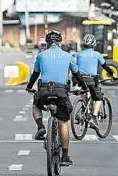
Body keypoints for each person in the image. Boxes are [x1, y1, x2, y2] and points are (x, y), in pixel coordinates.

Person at [26, 30, 85, 167]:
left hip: (45, 90)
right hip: (61, 91)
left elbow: (35, 75)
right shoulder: (67, 56)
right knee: (63, 123)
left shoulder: (41, 56)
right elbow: (77, 75)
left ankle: (41, 127)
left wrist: (29, 86)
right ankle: (65, 156)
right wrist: (84, 87)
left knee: (36, 106)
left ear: (47, 42)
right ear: (60, 42)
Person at [75, 34, 117, 131]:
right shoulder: (97, 54)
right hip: (91, 79)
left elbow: (76, 68)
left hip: (80, 79)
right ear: (94, 44)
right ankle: (93, 118)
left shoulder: (79, 54)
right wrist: (112, 74)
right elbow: (105, 66)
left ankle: (83, 109)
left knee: (84, 91)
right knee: (98, 98)